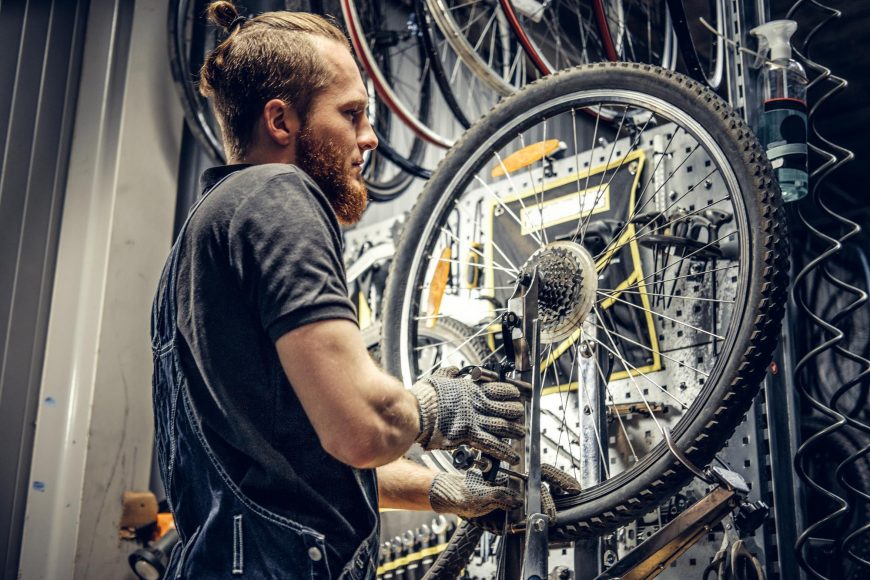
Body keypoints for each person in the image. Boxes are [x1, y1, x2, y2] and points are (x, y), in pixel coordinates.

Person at [150, 3, 544, 578]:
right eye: (353, 113)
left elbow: (308, 460)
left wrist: (444, 491)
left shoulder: (197, 246)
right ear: (281, 122)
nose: (371, 138)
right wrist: (439, 407)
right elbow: (361, 428)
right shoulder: (277, 193)